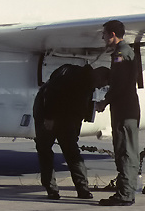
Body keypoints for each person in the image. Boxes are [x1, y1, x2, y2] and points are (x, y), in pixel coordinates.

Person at [32, 64, 97, 200]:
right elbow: (51, 94)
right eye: (103, 83)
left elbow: (79, 112)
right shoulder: (71, 77)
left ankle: (80, 189)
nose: (101, 87)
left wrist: (75, 133)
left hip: (63, 118)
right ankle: (54, 189)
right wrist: (49, 118)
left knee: (68, 151)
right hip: (48, 114)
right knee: (48, 150)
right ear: (99, 77)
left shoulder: (86, 84)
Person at [97, 20, 140, 207]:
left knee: (126, 151)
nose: (103, 37)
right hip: (125, 108)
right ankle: (125, 191)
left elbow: (120, 84)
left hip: (124, 109)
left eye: (105, 34)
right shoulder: (123, 52)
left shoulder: (121, 54)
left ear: (113, 34)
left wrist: (104, 101)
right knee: (124, 149)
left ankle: (125, 194)